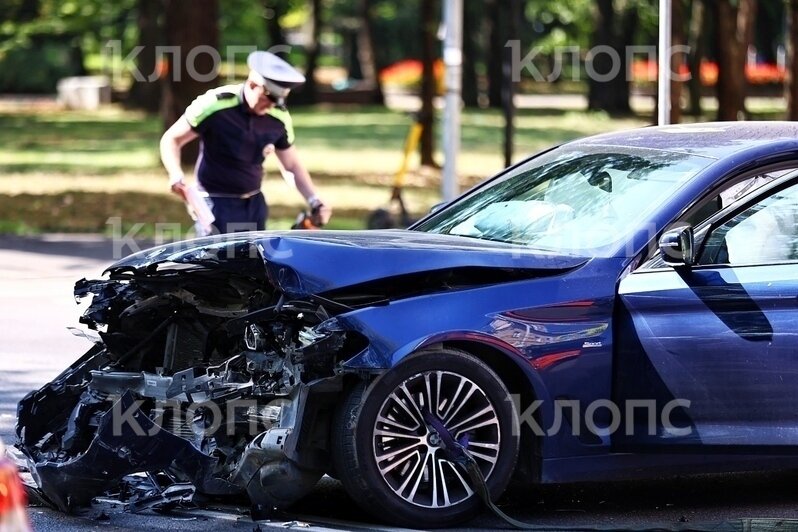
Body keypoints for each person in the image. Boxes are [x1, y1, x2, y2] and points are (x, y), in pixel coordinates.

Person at [160, 51, 332, 234]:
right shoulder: (215, 104)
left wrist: (314, 200)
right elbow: (172, 139)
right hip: (214, 204)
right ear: (252, 84)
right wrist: (175, 174)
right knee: (216, 261)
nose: (271, 106)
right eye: (268, 98)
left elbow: (291, 165)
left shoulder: (279, 117)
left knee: (252, 261)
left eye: (278, 101)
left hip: (254, 205)